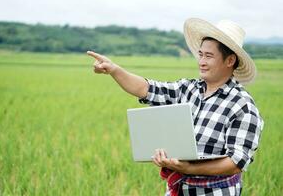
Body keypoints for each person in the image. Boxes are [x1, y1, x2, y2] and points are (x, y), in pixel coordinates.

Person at [87, 18, 264, 196]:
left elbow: (236, 162)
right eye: (200, 54)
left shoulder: (242, 106)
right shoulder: (188, 89)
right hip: (178, 189)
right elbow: (146, 89)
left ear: (230, 60)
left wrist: (189, 168)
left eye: (208, 56)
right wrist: (114, 69)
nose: (201, 61)